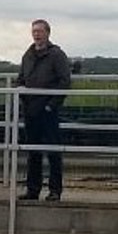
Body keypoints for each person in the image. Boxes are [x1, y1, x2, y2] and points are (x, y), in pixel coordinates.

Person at [16, 19, 71, 202]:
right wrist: (22, 94)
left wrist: (51, 105)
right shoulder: (28, 55)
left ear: (48, 33)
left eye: (40, 31)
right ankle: (33, 189)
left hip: (48, 110)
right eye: (34, 31)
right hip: (31, 110)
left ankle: (55, 190)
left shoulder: (57, 55)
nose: (36, 34)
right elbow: (21, 78)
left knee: (53, 151)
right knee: (33, 152)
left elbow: (64, 81)